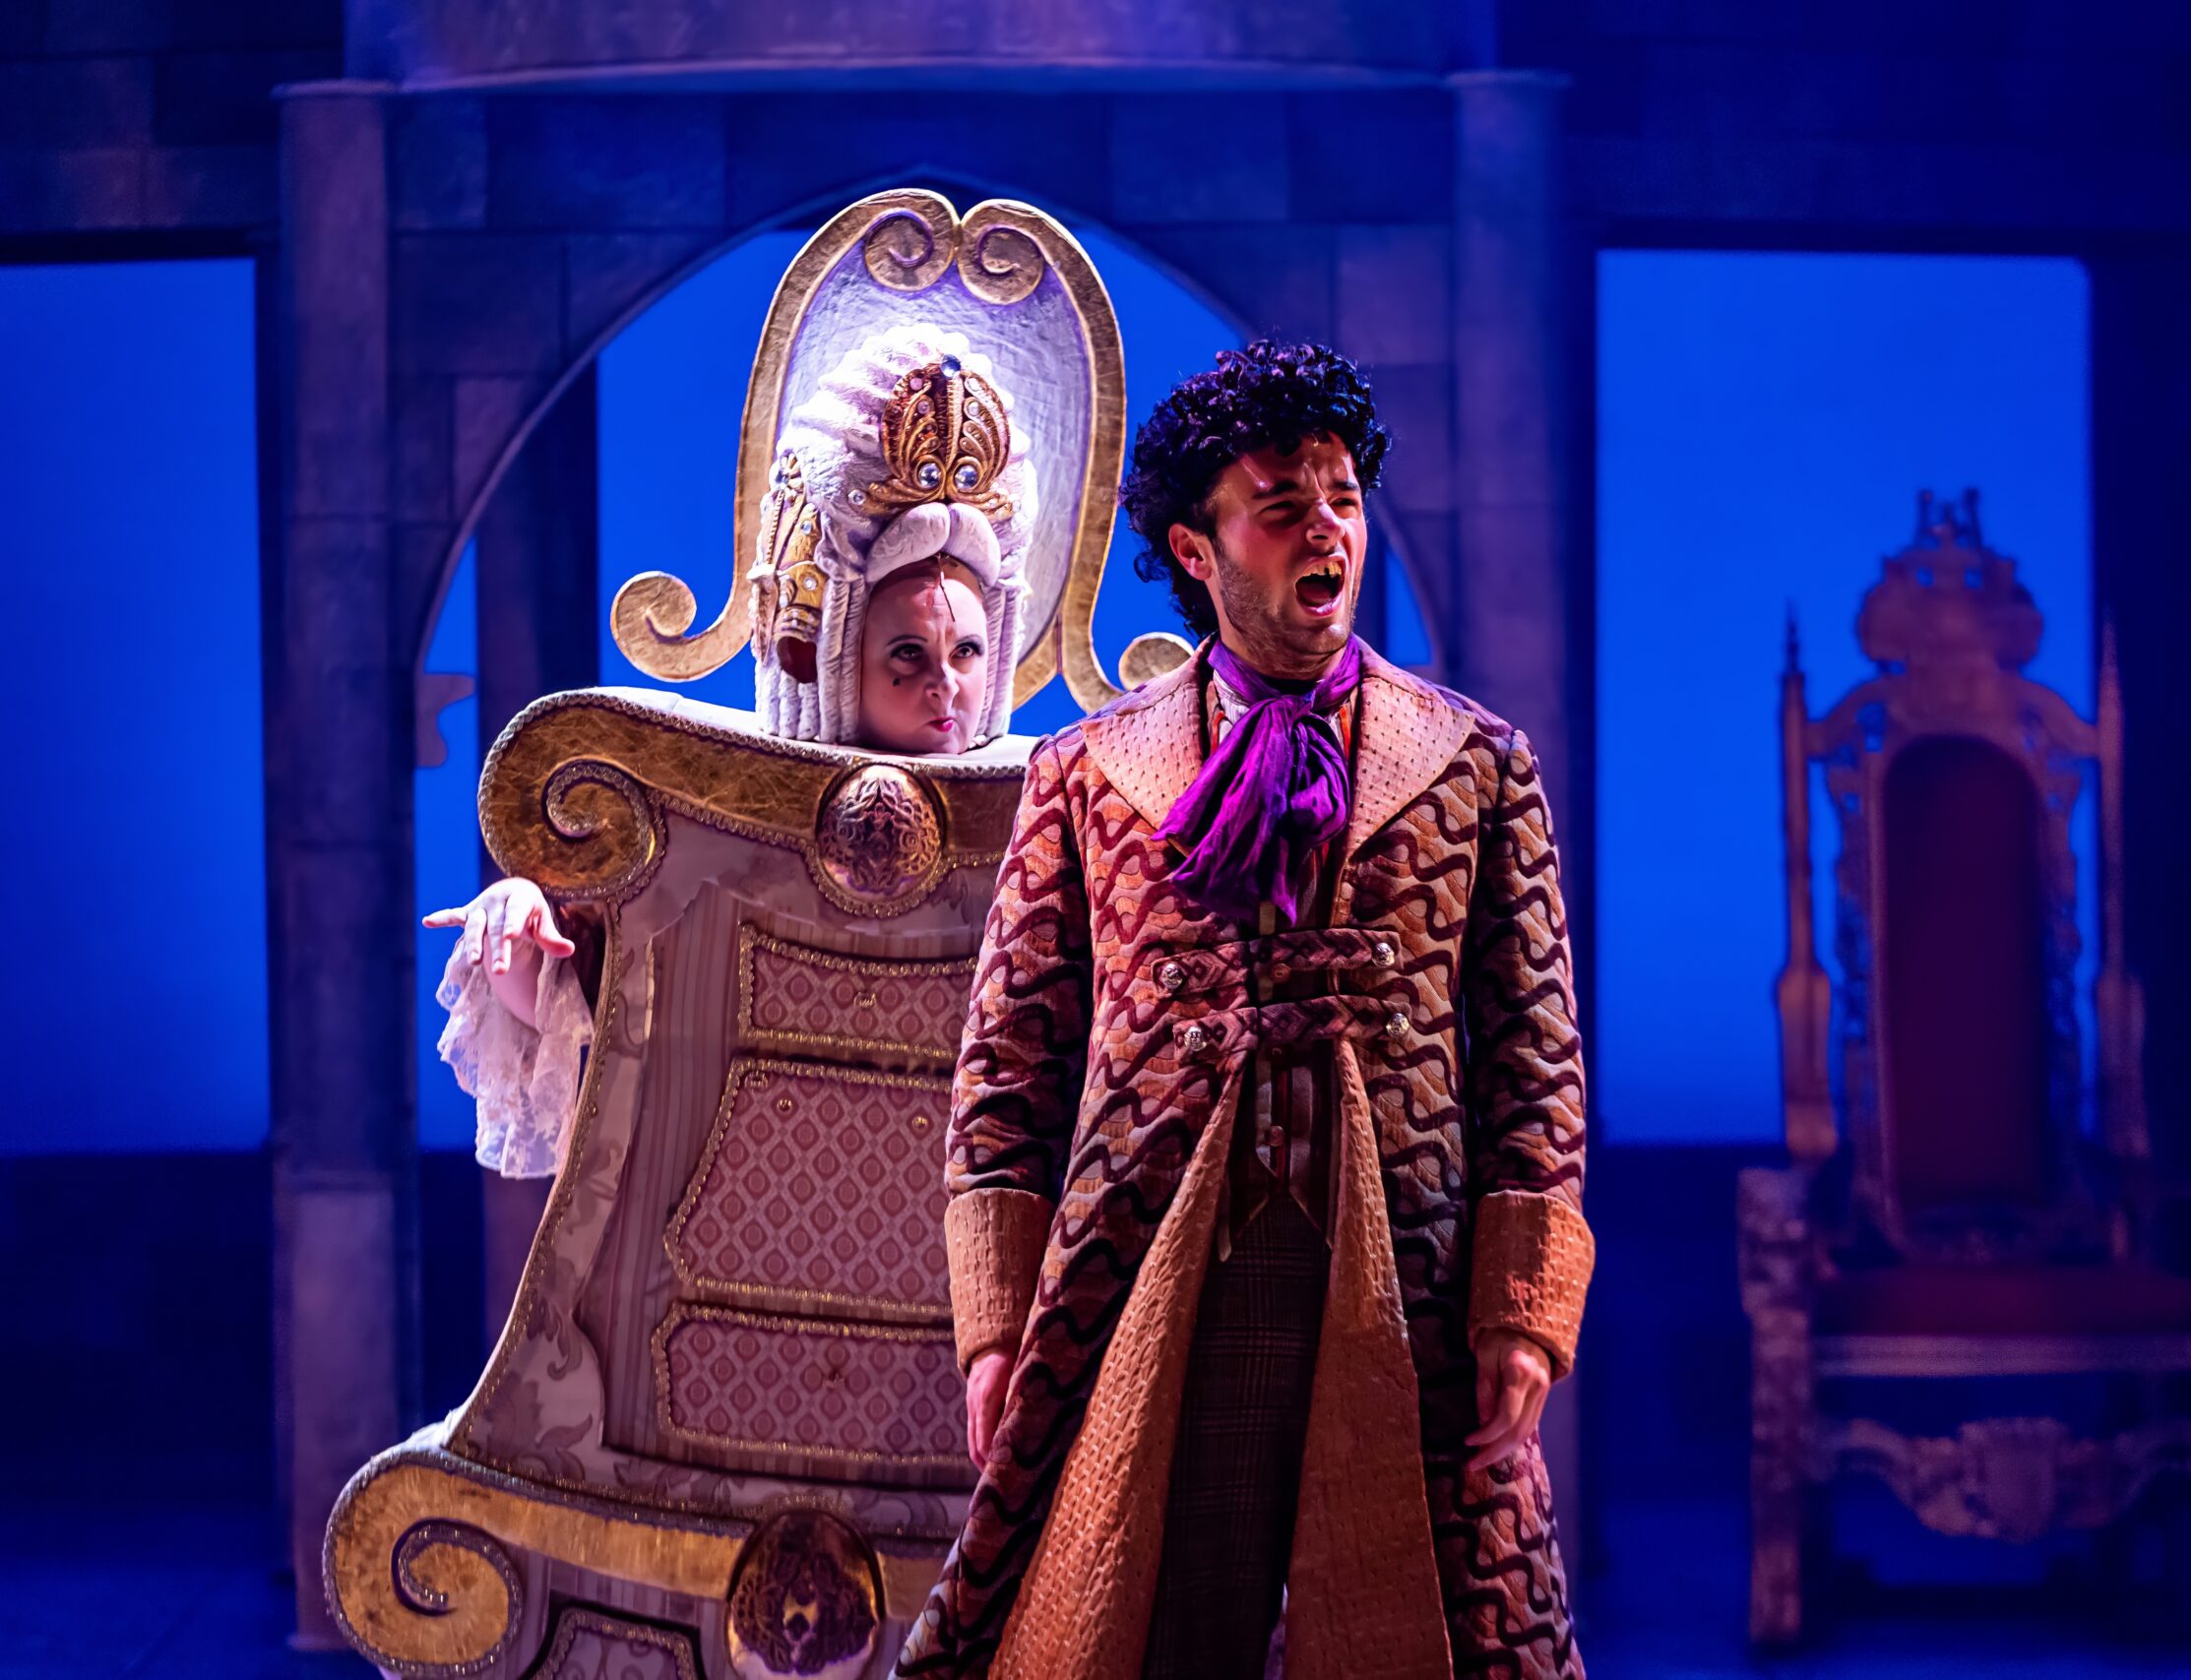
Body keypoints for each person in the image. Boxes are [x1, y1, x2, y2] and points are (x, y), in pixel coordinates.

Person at [902, 342, 1593, 1680]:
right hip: (1153, 1276)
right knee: (1142, 1618)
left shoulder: (1475, 765)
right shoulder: (1089, 773)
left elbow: (1535, 1052)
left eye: (1340, 495)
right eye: (1282, 501)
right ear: (1198, 549)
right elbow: (1010, 1063)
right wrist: (994, 1323)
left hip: (1411, 1280)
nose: (1325, 526)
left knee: (1434, 1622)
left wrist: (1522, 1302)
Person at [428, 322, 1033, 1177]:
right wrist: (522, 926)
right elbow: (598, 1042)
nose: (947, 686)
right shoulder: (707, 821)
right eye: (909, 655)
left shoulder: (1050, 816)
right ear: (827, 644)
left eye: (966, 652)